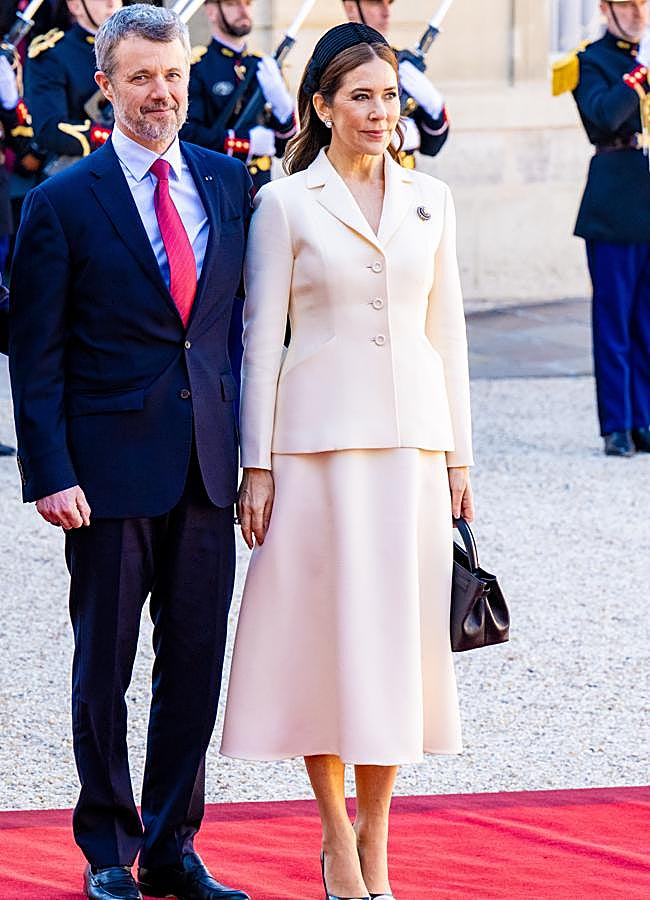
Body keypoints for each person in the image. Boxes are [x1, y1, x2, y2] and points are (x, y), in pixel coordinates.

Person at [221, 21, 474, 900]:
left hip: (411, 449)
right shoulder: (285, 203)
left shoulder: (431, 200)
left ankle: (378, 840)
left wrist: (459, 461)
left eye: (390, 95)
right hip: (313, 451)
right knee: (324, 641)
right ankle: (333, 835)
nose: (379, 111)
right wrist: (257, 465)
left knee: (395, 646)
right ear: (322, 106)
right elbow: (259, 342)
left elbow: (448, 334)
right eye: (360, 95)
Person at [10, 5, 251, 899]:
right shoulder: (61, 201)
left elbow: (235, 335)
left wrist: (254, 459)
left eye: (173, 75)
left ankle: (172, 847)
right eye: (142, 76)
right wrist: (51, 472)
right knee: (103, 667)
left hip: (204, 468)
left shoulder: (230, 188)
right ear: (106, 85)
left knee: (193, 665)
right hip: (106, 475)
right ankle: (108, 852)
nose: (161, 93)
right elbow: (37, 355)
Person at [559, 0, 650, 456]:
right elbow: (604, 116)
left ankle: (644, 421)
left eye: (642, 4)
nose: (638, 13)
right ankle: (617, 423)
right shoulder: (590, 60)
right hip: (615, 199)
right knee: (614, 319)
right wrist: (639, 73)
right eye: (628, 4)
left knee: (647, 322)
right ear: (606, 8)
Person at [181, 0, 296, 192]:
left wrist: (284, 108)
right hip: (218, 187)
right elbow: (188, 136)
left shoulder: (263, 66)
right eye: (232, 4)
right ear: (211, 12)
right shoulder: (198, 67)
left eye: (248, 3)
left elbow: (284, 146)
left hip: (260, 188)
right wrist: (245, 142)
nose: (243, 11)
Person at [342, 0, 449, 167]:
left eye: (388, 4)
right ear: (351, 8)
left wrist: (434, 107)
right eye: (376, 4)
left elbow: (432, 147)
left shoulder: (401, 64)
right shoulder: (335, 65)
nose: (386, 12)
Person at [24, 0, 121, 174]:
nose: (111, 2)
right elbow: (49, 129)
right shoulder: (53, 54)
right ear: (76, 5)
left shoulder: (137, 48)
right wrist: (113, 137)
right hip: (84, 171)